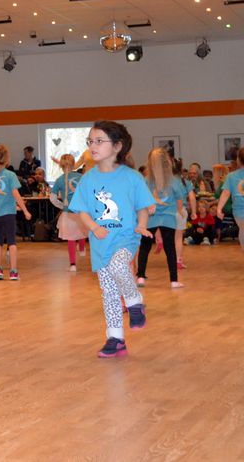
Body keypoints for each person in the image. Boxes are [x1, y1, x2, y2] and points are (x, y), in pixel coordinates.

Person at [69, 121, 155, 359]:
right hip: (100, 243)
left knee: (119, 265)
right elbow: (82, 211)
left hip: (126, 238)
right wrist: (94, 227)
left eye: (99, 141)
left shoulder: (132, 177)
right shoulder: (88, 179)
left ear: (117, 146)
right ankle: (115, 338)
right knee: (108, 292)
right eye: (90, 141)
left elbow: (143, 207)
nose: (93, 146)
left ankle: (135, 301)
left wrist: (141, 226)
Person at [137, 148, 185, 289]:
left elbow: (141, 199)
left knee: (145, 247)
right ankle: (174, 281)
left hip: (150, 217)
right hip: (168, 218)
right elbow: (180, 200)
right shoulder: (174, 181)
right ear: (168, 162)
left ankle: (140, 277)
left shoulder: (146, 180)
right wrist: (179, 210)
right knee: (170, 248)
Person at [0, 145, 32, 281]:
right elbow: (16, 195)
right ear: (7, 159)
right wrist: (25, 210)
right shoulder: (10, 175)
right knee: (11, 242)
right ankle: (13, 271)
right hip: (9, 214)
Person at [52, 153, 87, 272]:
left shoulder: (59, 180)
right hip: (81, 213)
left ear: (61, 166)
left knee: (71, 238)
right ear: (74, 164)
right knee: (82, 231)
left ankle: (73, 265)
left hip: (68, 213)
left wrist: (62, 206)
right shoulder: (81, 177)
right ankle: (82, 248)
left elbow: (52, 198)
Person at [215, 147, 244, 252]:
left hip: (239, 212)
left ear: (238, 160)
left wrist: (219, 209)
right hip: (239, 212)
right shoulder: (230, 176)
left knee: (243, 230)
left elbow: (226, 193)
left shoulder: (231, 176)